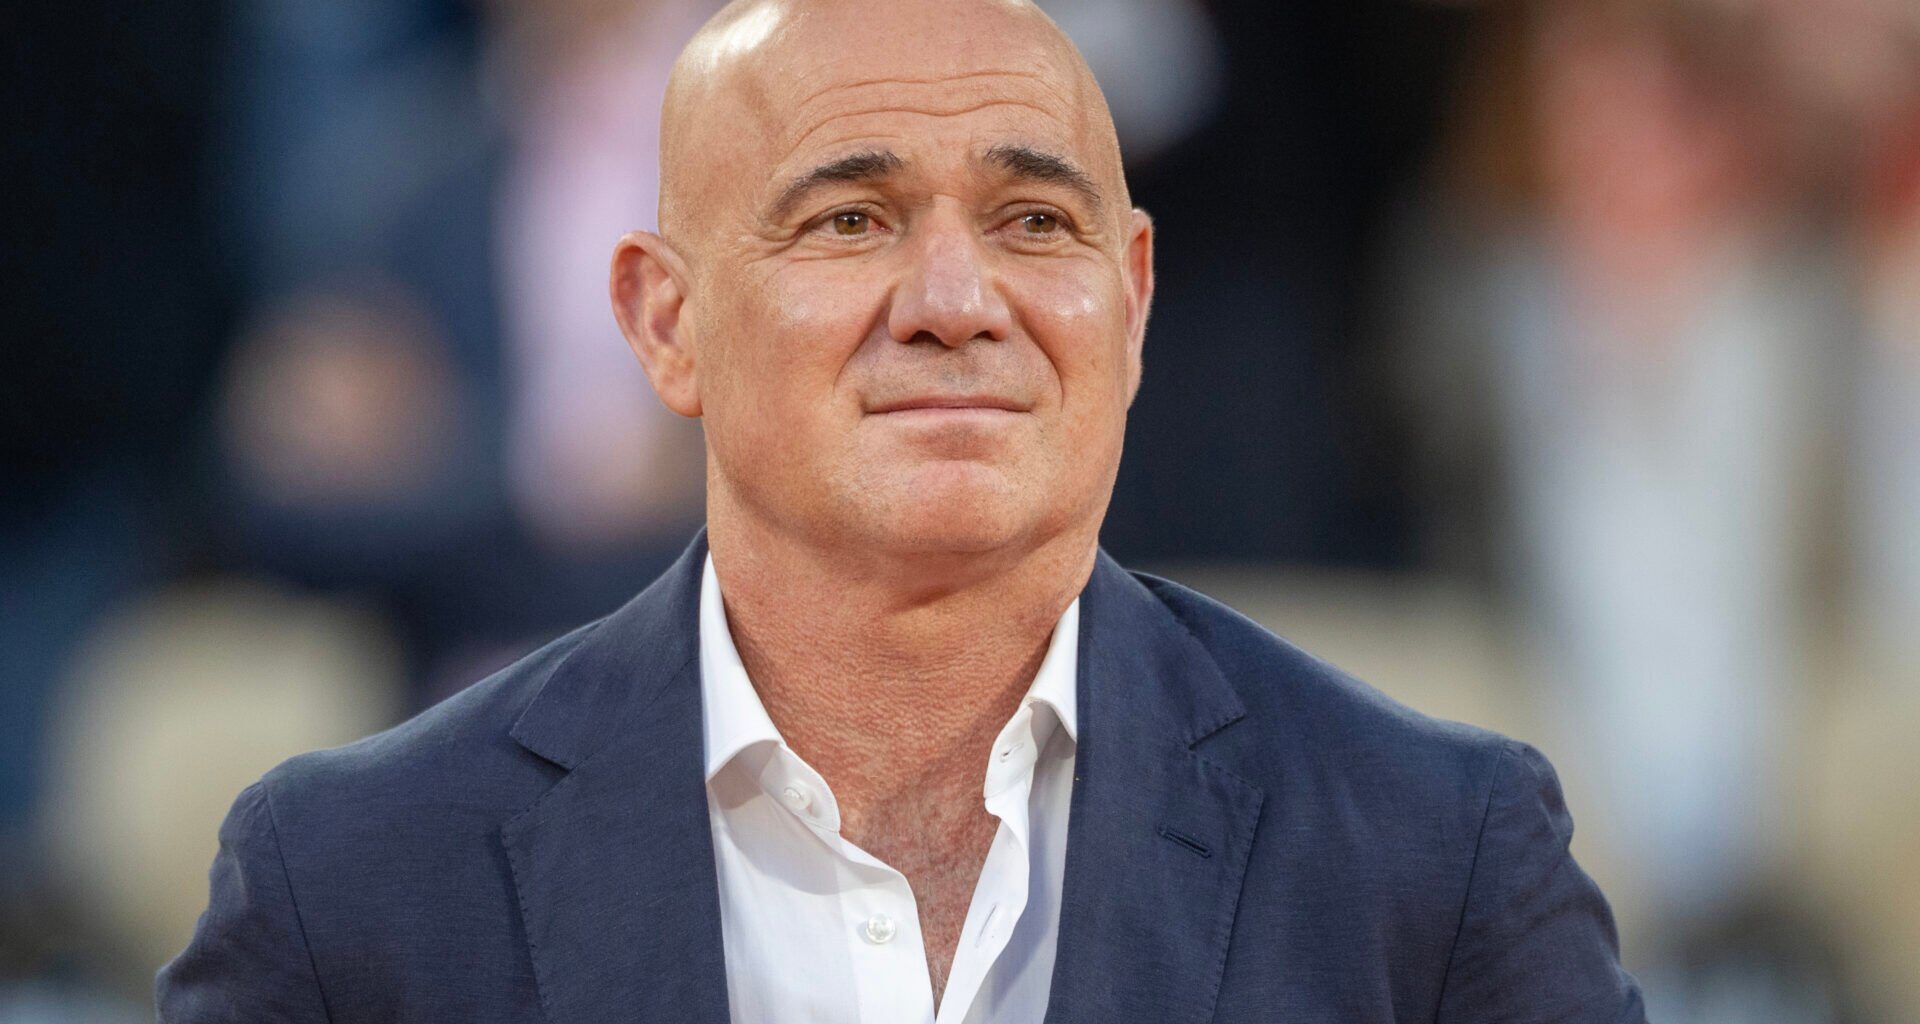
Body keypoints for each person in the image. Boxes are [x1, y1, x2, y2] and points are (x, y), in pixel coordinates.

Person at [157, 0, 1645, 1020]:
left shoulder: (1434, 863)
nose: (953, 301)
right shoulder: (350, 888)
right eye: (850, 219)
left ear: (1131, 305)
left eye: (1033, 222)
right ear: (666, 322)